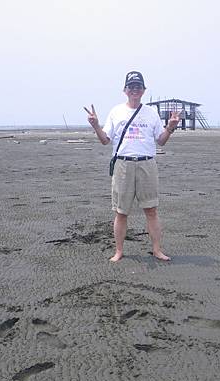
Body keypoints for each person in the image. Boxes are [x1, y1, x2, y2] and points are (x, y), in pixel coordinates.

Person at [84, 71, 180, 262]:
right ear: (125, 90)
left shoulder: (151, 113)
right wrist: (95, 125)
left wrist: (170, 127)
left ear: (144, 90)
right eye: (131, 87)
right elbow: (105, 140)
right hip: (123, 164)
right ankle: (118, 251)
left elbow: (161, 141)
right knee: (121, 211)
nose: (135, 90)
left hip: (147, 164)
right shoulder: (116, 111)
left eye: (138, 87)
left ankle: (157, 250)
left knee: (151, 210)